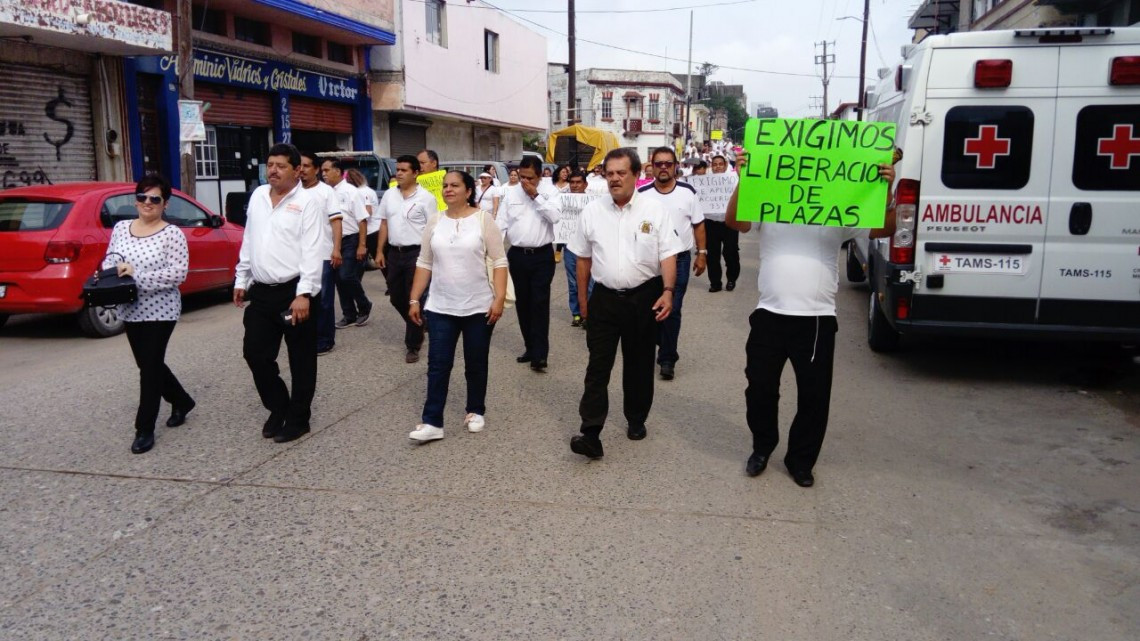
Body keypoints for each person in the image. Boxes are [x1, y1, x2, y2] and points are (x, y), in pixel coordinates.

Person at [727, 151, 896, 487]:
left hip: (817, 319)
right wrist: (745, 178)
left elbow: (882, 229)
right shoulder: (770, 199)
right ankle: (762, 446)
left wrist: (885, 193)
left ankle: (800, 460)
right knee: (759, 388)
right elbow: (736, 222)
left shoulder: (837, 209)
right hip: (769, 314)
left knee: (814, 396)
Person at [567, 148, 681, 459]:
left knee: (639, 364)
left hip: (644, 297)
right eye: (610, 173)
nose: (615, 179)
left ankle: (636, 417)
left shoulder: (654, 210)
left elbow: (668, 254)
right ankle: (590, 431)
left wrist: (668, 291)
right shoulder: (592, 211)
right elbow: (582, 258)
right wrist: (582, 301)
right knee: (598, 367)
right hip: (604, 298)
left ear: (635, 174)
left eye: (621, 173)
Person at [406, 170, 508, 442]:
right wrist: (415, 298)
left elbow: (499, 261)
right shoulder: (435, 221)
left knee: (475, 362)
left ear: (467, 190)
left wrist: (498, 298)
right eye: (445, 185)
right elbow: (424, 262)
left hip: (478, 306)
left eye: (454, 185)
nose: (448, 189)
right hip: (440, 306)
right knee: (438, 364)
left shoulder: (483, 220)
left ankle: (475, 410)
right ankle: (432, 422)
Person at [234, 143, 324, 443]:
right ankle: (278, 406)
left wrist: (304, 294)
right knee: (255, 354)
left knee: (301, 359)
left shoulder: (309, 202)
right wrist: (241, 278)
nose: (273, 170)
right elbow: (250, 239)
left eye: (281, 165)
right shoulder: (259, 196)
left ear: (296, 170)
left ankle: (299, 419)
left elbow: (313, 250)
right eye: (270, 164)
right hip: (261, 293)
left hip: (295, 291)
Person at [104, 174, 194, 454]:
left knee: (150, 368)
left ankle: (144, 428)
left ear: (165, 204)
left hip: (161, 309)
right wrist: (115, 266)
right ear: (136, 200)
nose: (148, 203)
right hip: (131, 307)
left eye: (155, 199)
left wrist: (138, 274)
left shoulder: (172, 234)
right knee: (148, 364)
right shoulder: (121, 228)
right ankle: (181, 400)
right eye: (143, 197)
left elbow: (178, 273)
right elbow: (111, 257)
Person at [636, 146, 707, 381]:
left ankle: (667, 358)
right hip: (649, 260)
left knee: (672, 308)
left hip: (680, 259)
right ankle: (659, 340)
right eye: (659, 164)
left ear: (676, 165)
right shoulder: (643, 194)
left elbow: (698, 224)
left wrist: (702, 252)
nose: (664, 167)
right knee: (652, 308)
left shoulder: (688, 192)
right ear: (652, 167)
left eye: (668, 163)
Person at [497, 155, 561, 372]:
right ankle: (530, 347)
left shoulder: (550, 191)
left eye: (530, 178)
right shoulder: (511, 193)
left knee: (539, 303)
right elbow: (501, 224)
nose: (525, 182)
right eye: (522, 177)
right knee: (523, 304)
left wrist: (536, 196)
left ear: (540, 174)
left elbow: (554, 217)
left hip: (542, 255)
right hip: (517, 255)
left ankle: (540, 355)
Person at [376, 154, 438, 363]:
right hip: (394, 253)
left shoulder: (426, 198)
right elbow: (384, 223)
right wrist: (379, 251)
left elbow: (432, 229)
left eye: (404, 170)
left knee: (415, 298)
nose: (399, 173)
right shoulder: (389, 196)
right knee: (396, 297)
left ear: (416, 173)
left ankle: (413, 344)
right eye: (398, 169)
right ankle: (419, 322)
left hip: (417, 254)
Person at [299, 151, 344, 356]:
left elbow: (336, 222)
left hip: (323, 254)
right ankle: (306, 336)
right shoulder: (295, 191)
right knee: (303, 295)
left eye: (306, 166)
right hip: (299, 255)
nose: (302, 170)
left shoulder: (326, 192)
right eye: (299, 166)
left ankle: (325, 339)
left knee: (324, 299)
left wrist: (336, 249)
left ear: (316, 170)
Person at [321, 158, 373, 328]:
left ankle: (364, 305)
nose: (324, 174)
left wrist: (362, 245)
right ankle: (349, 314)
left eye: (327, 170)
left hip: (351, 239)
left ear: (337, 171)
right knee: (338, 279)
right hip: (333, 241)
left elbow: (362, 220)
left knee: (346, 275)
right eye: (322, 171)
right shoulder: (325, 192)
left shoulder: (352, 192)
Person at [562, 170, 594, 327]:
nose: (574, 185)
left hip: (590, 248)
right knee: (573, 282)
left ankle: (589, 313)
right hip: (569, 247)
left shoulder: (593, 203)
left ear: (585, 184)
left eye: (578, 182)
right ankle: (576, 314)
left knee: (591, 283)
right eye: (572, 182)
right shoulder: (562, 200)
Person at [706, 154, 740, 293]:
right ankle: (715, 283)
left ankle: (731, 279)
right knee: (712, 255)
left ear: (725, 166)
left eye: (720, 164)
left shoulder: (733, 180)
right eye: (715, 164)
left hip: (729, 222)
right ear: (711, 167)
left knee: (730, 252)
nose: (718, 166)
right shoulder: (705, 182)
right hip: (711, 222)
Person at [346, 168, 381, 270]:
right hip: (375, 230)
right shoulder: (368, 190)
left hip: (370, 232)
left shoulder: (360, 192)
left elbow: (367, 212)